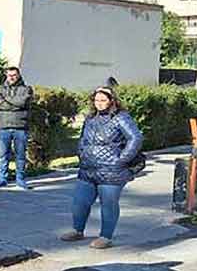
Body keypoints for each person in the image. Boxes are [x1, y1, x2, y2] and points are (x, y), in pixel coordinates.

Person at [61, 87, 144, 249]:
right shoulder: (90, 118)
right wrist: (81, 153)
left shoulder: (121, 118)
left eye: (103, 100)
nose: (99, 103)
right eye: (96, 100)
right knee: (80, 202)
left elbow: (135, 138)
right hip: (88, 169)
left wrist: (121, 160)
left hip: (111, 171)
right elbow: (82, 138)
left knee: (108, 204)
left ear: (112, 101)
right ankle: (77, 230)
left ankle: (106, 236)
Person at [0, 66, 34, 190]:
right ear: (6, 76)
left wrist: (8, 102)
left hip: (20, 127)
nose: (12, 77)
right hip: (3, 126)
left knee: (20, 155)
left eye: (14, 75)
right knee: (2, 155)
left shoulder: (26, 89)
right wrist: (14, 103)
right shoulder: (0, 90)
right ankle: (2, 179)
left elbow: (22, 103)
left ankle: (20, 180)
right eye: (10, 75)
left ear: (18, 76)